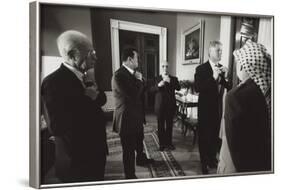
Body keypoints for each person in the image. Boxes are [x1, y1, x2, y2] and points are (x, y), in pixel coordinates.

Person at [41, 30, 108, 183]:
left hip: (96, 153)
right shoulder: (52, 83)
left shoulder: (85, 75)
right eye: (91, 53)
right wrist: (86, 99)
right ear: (72, 55)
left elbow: (102, 99)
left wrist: (95, 96)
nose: (96, 58)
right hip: (77, 162)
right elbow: (57, 127)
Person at [217, 40, 271, 173]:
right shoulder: (265, 91)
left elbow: (233, 145)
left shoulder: (235, 96)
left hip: (235, 166)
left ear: (242, 66)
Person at [111, 47, 154, 179]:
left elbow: (144, 87)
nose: (138, 61)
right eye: (137, 58)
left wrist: (144, 81)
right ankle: (130, 176)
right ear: (130, 59)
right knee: (128, 150)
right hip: (126, 119)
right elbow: (133, 94)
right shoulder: (119, 75)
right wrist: (140, 80)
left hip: (136, 116)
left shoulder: (133, 73)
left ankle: (140, 159)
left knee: (139, 142)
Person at [194, 40, 230, 174]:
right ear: (210, 52)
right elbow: (198, 88)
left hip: (217, 109)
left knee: (214, 136)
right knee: (204, 137)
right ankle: (204, 163)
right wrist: (213, 78)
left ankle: (211, 158)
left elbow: (229, 87)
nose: (221, 53)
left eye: (221, 50)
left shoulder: (222, 67)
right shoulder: (201, 69)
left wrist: (226, 77)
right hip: (204, 110)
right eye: (218, 50)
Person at [152, 61, 180, 151]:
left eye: (167, 66)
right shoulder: (156, 78)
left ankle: (169, 143)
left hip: (170, 106)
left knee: (169, 125)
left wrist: (170, 81)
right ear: (161, 67)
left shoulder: (174, 78)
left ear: (169, 67)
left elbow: (178, 87)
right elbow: (151, 90)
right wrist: (158, 85)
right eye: (163, 66)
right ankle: (162, 144)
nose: (165, 68)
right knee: (160, 126)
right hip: (159, 106)